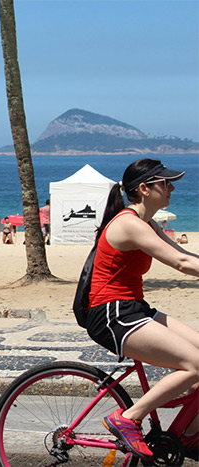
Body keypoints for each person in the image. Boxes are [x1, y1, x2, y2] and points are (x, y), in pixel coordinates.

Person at [85, 159, 199, 461]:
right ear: (145, 189)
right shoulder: (128, 224)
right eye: (166, 183)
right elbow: (181, 264)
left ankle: (187, 435)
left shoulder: (146, 223)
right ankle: (127, 417)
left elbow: (186, 255)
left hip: (135, 310)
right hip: (112, 314)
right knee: (195, 364)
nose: (172, 188)